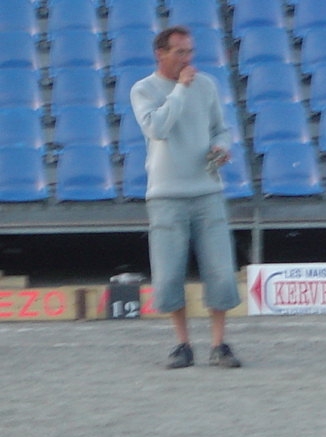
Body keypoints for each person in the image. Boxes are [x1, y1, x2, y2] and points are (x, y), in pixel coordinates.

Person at [130, 26, 242, 369]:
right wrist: (179, 89)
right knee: (168, 275)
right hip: (166, 195)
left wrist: (221, 147)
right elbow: (157, 128)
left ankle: (219, 344)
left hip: (207, 191)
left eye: (189, 51)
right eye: (179, 52)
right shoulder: (143, 89)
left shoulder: (207, 85)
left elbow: (221, 128)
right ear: (160, 54)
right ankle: (182, 344)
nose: (187, 58)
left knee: (220, 272)